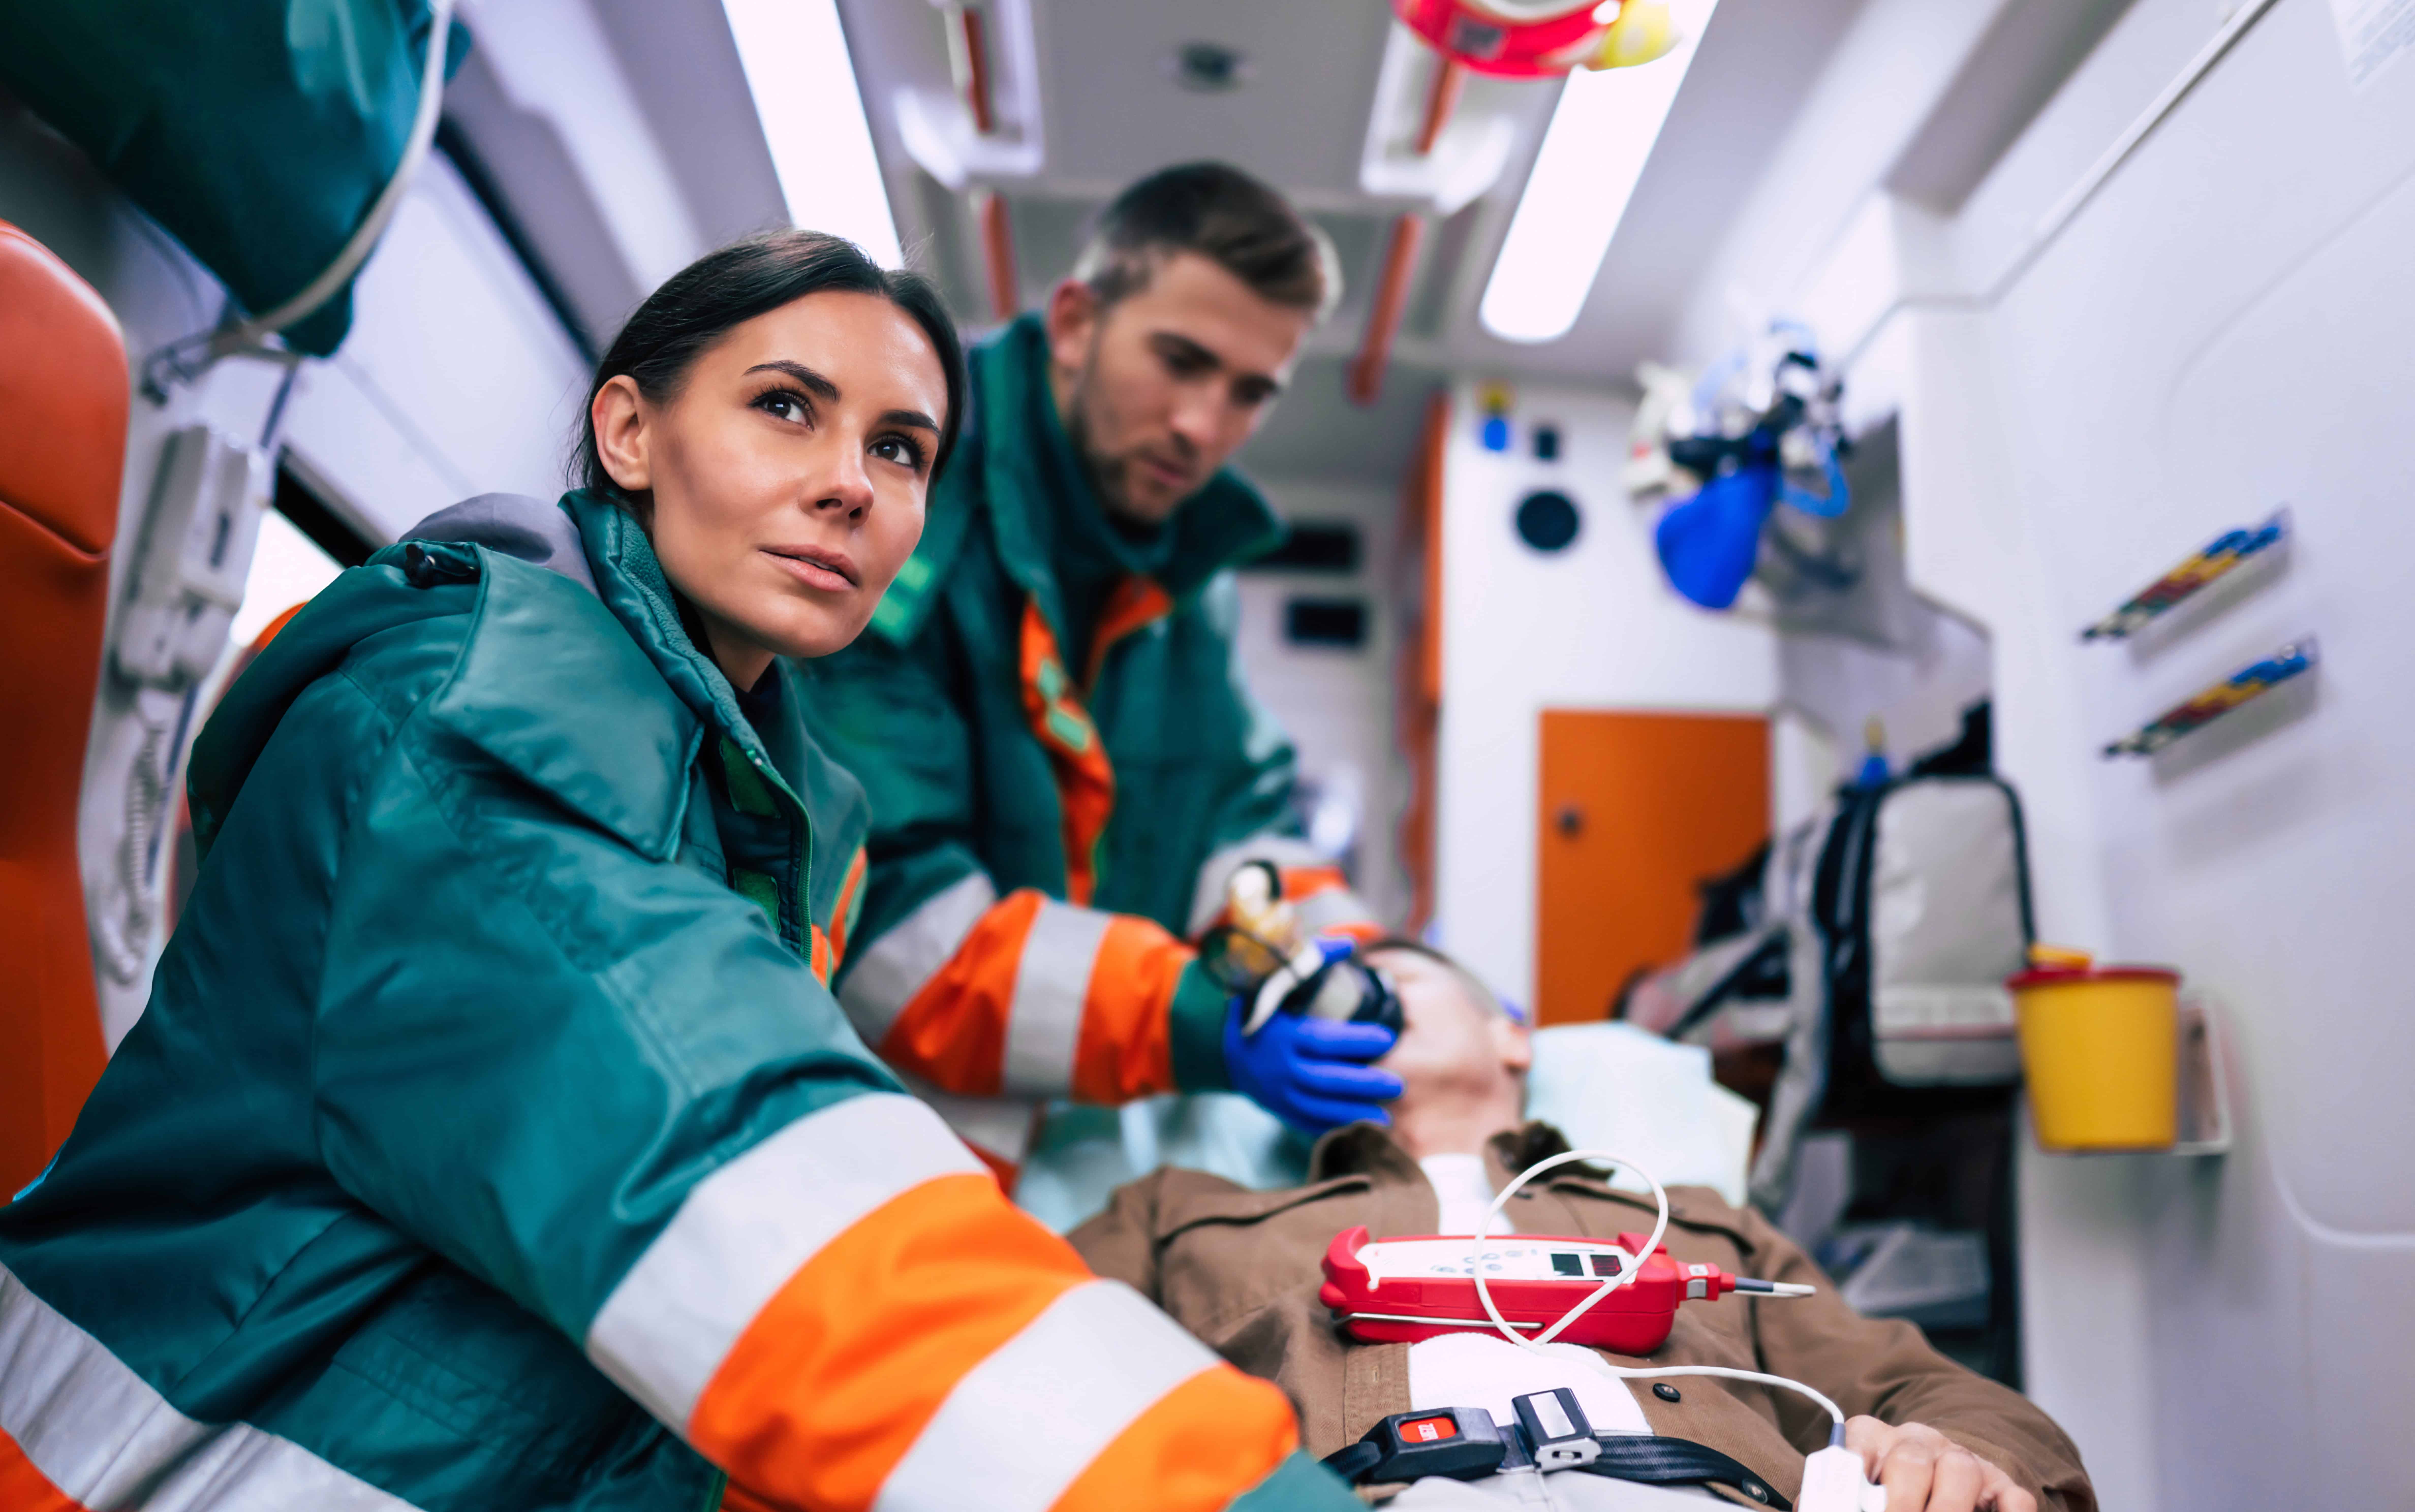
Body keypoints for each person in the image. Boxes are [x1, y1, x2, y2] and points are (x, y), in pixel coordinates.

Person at [0, 232, 1368, 1512]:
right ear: (631, 432)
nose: (851, 482)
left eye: (900, 449)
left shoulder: (776, 792)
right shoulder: (466, 726)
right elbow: (739, 1176)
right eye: (787, 407)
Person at [802, 163, 1399, 1171]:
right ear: (1077, 322)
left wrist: (1356, 968)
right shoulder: (904, 492)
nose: (1205, 428)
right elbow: (885, 910)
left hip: (1077, 1127)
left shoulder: (1183, 568)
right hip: (880, 1127)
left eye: (1251, 392)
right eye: (1180, 361)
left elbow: (1237, 821)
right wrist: (1192, 1020)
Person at [1070, 943, 2097, 1512]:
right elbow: (1016, 1359)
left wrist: (1955, 1455)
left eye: (1397, 982)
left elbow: (1931, 1392)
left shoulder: (1696, 1225)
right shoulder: (1186, 1212)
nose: (1360, 1007)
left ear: (1511, 1032)